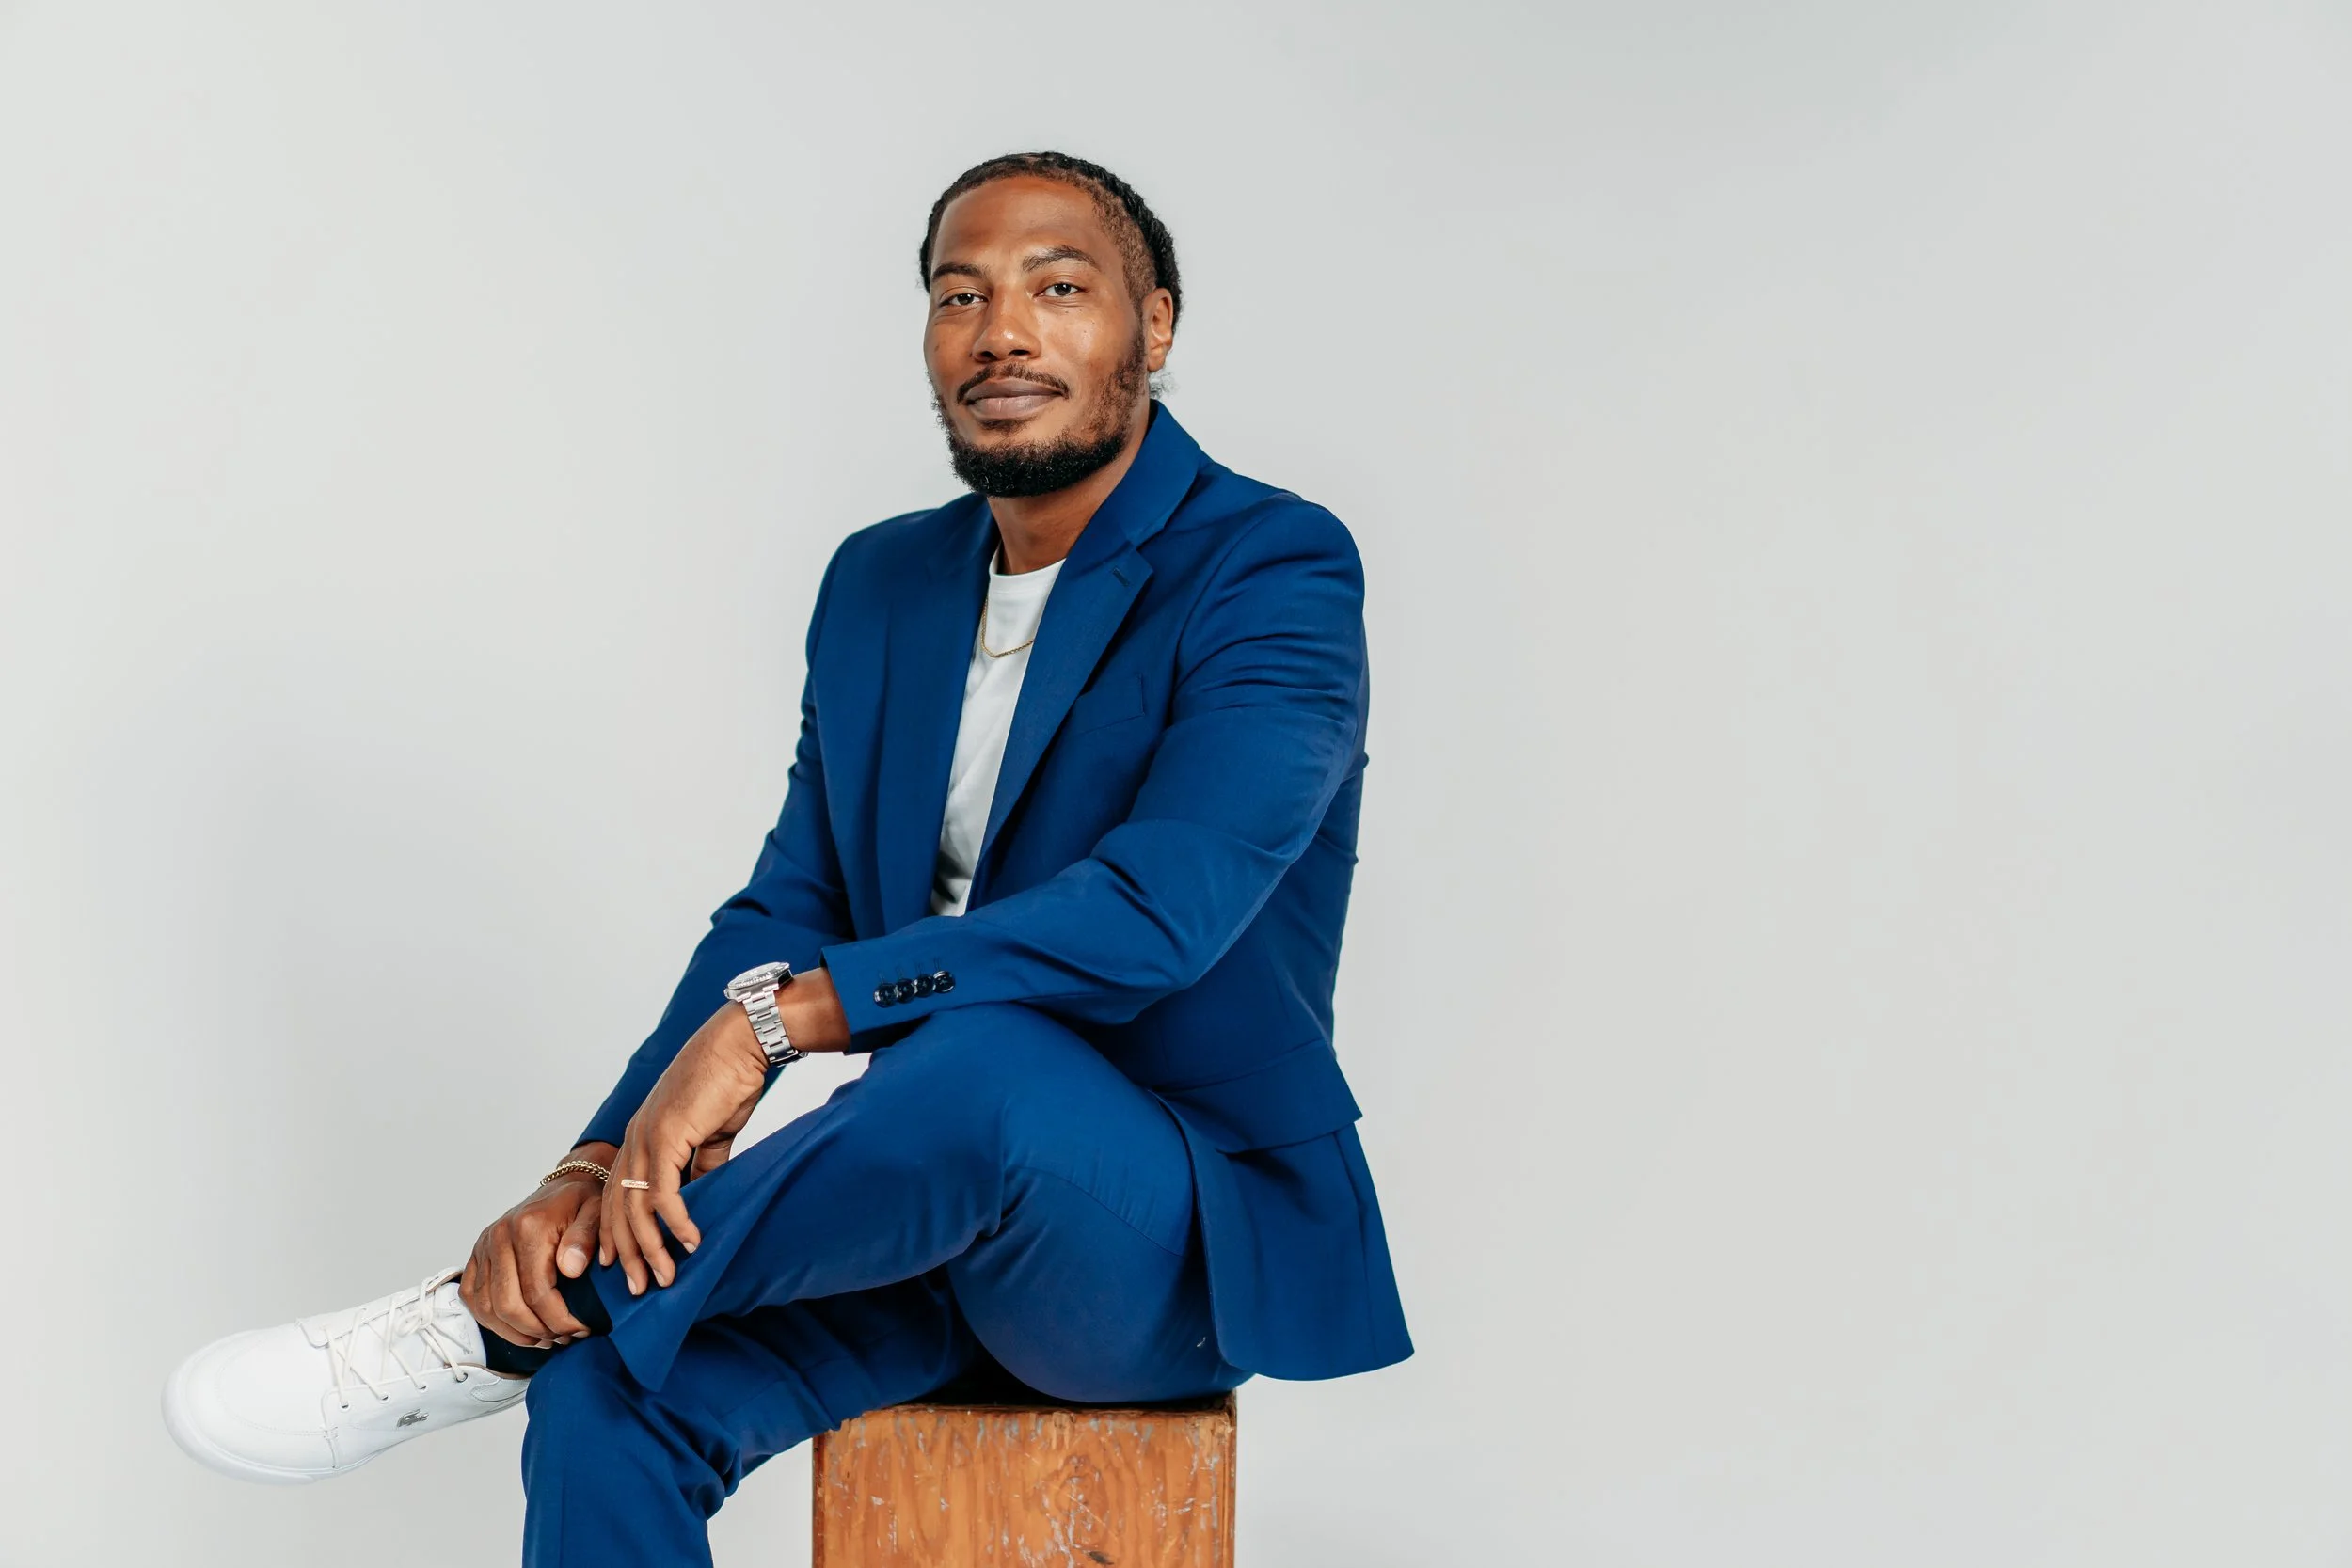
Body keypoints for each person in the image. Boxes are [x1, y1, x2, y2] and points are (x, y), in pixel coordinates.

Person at [162, 150, 1411, 1566]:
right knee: (607, 1406)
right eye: (960, 294)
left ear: (1156, 329)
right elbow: (791, 899)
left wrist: (784, 1021)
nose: (1003, 331)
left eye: (1060, 289)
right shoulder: (881, 585)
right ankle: (560, 1324)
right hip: (915, 1206)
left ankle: (485, 1323)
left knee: (981, 1065)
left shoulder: (1272, 566)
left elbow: (1157, 914)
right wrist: (594, 1160)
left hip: (1158, 1237)